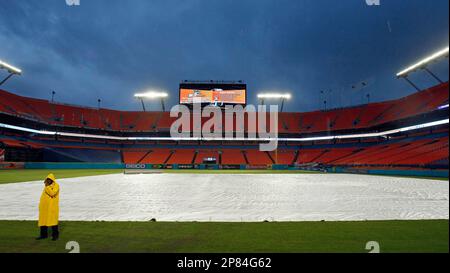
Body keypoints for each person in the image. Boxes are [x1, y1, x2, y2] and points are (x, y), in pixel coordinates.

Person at [36, 173, 60, 241]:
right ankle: (43, 235)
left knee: (53, 221)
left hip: (52, 207)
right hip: (44, 207)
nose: (48, 181)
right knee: (43, 221)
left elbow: (52, 193)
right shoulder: (47, 186)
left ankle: (55, 236)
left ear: (52, 180)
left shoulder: (56, 185)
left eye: (49, 180)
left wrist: (47, 187)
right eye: (47, 180)